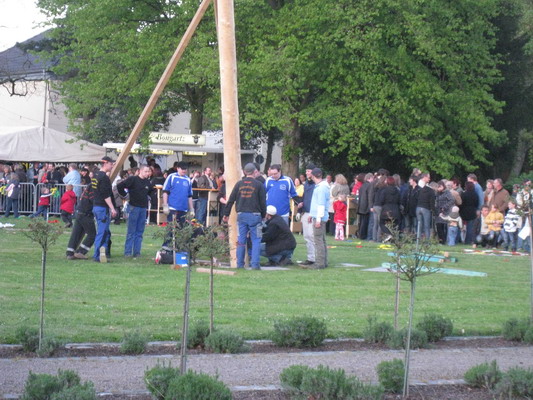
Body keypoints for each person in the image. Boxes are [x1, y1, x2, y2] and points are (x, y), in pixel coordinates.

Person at [223, 163, 266, 270]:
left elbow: (231, 200)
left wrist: (226, 214)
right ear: (255, 171)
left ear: (245, 172)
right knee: (256, 240)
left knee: (241, 240)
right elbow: (263, 203)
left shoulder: (239, 184)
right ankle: (255, 265)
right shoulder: (259, 185)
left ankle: (240, 264)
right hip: (255, 216)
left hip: (241, 215)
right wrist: (263, 215)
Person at [117, 165, 154, 258]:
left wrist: (148, 197)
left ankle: (137, 252)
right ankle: (128, 252)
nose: (147, 173)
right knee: (131, 231)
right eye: (146, 171)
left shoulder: (147, 182)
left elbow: (151, 191)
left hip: (143, 208)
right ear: (140, 171)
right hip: (133, 207)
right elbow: (120, 186)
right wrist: (125, 195)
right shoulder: (133, 179)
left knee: (140, 232)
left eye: (148, 171)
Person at [92, 156, 118, 263]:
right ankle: (97, 255)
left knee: (105, 232)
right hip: (102, 207)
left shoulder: (95, 175)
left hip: (96, 206)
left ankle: (103, 254)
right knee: (102, 232)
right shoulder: (104, 178)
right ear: (105, 163)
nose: (112, 166)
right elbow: (106, 195)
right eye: (111, 164)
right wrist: (112, 208)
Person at [66, 174, 96, 260]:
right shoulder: (93, 187)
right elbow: (93, 200)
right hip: (86, 213)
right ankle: (81, 252)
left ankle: (70, 253)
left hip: (79, 211)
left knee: (76, 234)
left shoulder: (89, 186)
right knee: (92, 234)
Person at [309, 167, 330, 269]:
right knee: (321, 239)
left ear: (313, 176)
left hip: (319, 217)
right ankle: (324, 262)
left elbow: (321, 204)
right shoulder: (322, 186)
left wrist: (318, 219)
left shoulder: (321, 188)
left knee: (318, 240)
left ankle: (320, 263)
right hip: (319, 216)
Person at [297, 163, 317, 266]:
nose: (306, 173)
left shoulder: (316, 185)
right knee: (307, 236)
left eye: (308, 171)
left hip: (312, 213)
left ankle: (317, 257)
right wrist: (299, 210)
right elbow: (304, 198)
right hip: (306, 212)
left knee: (313, 236)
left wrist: (313, 214)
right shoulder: (306, 184)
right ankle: (310, 257)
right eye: (306, 171)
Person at [375, 176, 401, 242]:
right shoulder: (397, 191)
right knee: (394, 225)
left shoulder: (384, 191)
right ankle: (394, 239)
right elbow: (400, 200)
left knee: (382, 223)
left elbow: (381, 201)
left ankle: (388, 234)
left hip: (386, 210)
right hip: (395, 210)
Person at [415, 173, 435, 240]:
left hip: (418, 207)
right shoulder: (431, 190)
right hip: (426, 208)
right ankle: (427, 241)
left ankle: (418, 240)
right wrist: (433, 210)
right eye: (428, 177)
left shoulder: (418, 189)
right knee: (426, 226)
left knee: (419, 225)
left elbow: (416, 198)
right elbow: (432, 202)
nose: (429, 179)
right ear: (424, 177)